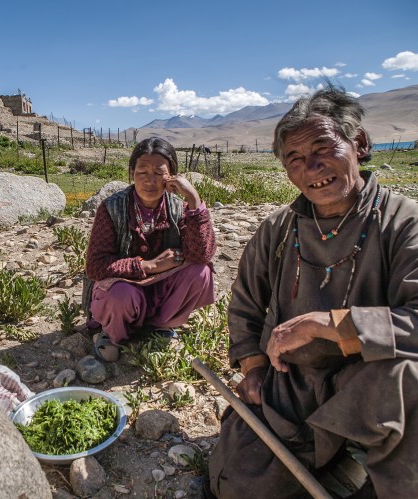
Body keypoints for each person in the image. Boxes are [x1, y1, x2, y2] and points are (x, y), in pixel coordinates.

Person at [208, 86, 418, 498]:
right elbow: (246, 305)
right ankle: (334, 457)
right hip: (295, 383)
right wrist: (252, 367)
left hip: (374, 385)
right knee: (238, 482)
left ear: (358, 145)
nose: (312, 167)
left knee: (409, 380)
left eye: (324, 148)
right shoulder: (279, 229)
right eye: (295, 158)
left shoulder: (403, 222)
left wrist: (329, 325)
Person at [83, 137, 216, 362]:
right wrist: (148, 266)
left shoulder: (178, 208)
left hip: (159, 293)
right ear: (132, 172)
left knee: (200, 272)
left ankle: (160, 327)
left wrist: (194, 199)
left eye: (159, 172)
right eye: (142, 171)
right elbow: (95, 266)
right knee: (121, 296)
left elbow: (201, 254)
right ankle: (115, 332)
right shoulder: (112, 208)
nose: (150, 180)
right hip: (122, 291)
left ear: (172, 176)